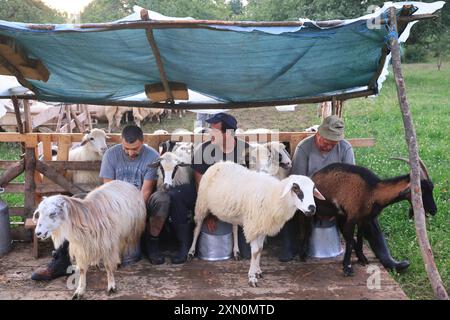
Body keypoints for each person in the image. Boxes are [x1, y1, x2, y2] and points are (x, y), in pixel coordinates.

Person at [31, 125, 159, 281]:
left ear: (143, 142)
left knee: (161, 201)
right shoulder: (111, 154)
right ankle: (61, 261)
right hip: (113, 200)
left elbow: (145, 191)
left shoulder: (152, 156)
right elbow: (109, 189)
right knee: (74, 206)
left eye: (135, 149)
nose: (131, 152)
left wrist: (133, 214)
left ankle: (152, 245)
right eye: (127, 148)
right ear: (120, 142)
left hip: (135, 204)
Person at [145, 112, 251, 265]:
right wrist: (208, 213)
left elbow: (250, 184)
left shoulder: (246, 151)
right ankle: (184, 244)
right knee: (176, 195)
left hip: (236, 198)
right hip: (206, 195)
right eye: (209, 129)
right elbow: (201, 186)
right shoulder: (203, 150)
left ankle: (245, 239)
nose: (210, 132)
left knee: (246, 252)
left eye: (214, 130)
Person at [279, 115, 355, 262]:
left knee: (367, 211)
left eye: (333, 145)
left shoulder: (345, 148)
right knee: (287, 206)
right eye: (326, 142)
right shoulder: (304, 147)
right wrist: (314, 205)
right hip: (309, 195)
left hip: (337, 198)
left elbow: (350, 182)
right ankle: (291, 247)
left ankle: (384, 255)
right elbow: (298, 182)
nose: (328, 147)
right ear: (318, 134)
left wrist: (336, 207)